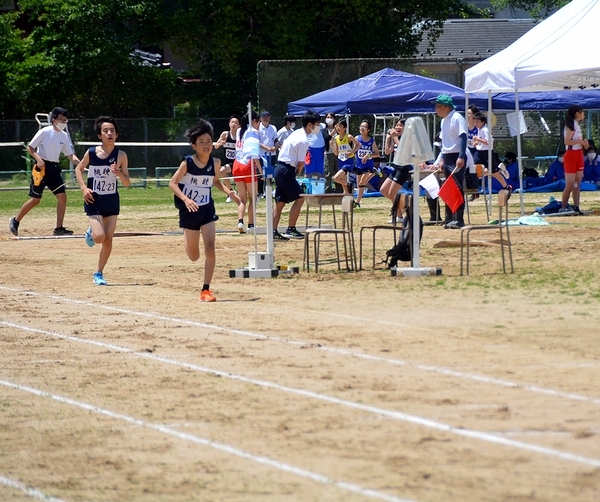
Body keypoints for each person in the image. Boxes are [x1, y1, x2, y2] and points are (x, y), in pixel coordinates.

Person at [169, 119, 239, 302]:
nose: (206, 145)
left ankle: (205, 290)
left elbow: (215, 181)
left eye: (209, 141)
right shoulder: (188, 163)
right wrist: (185, 199)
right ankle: (187, 236)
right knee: (194, 256)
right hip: (189, 211)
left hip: (207, 209)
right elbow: (173, 183)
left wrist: (230, 193)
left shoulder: (215, 162)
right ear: (194, 145)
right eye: (202, 142)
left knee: (210, 247)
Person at [75, 116, 130, 286]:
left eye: (112, 130)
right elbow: (79, 169)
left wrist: (119, 173)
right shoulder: (91, 153)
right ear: (100, 135)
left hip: (111, 201)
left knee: (108, 239)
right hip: (94, 199)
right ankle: (92, 232)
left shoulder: (121, 155)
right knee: (99, 237)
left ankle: (98, 273)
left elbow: (127, 182)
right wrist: (84, 188)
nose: (109, 133)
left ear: (117, 134)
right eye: (105, 131)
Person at [9, 107, 81, 236]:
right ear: (53, 120)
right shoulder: (45, 132)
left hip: (54, 169)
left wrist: (81, 164)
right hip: (41, 168)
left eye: (65, 120)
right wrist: (39, 159)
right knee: (36, 199)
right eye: (60, 119)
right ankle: (15, 220)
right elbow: (30, 147)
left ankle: (59, 228)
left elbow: (70, 155)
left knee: (62, 197)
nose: (63, 122)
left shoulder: (64, 136)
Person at [272, 109, 322, 240]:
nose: (318, 127)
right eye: (317, 124)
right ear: (310, 125)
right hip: (286, 170)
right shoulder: (304, 140)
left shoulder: (297, 133)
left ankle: (273, 231)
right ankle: (291, 229)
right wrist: (297, 171)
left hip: (280, 169)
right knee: (300, 198)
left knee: (280, 202)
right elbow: (301, 163)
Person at [432, 94, 468, 229]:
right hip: (447, 156)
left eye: (437, 107)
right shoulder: (444, 120)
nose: (435, 109)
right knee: (448, 188)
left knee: (457, 187)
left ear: (444, 107)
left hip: (456, 156)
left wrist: (461, 156)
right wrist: (442, 158)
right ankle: (449, 218)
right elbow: (444, 142)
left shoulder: (457, 118)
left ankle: (459, 219)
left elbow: (464, 138)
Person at [232, 112, 263, 233]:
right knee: (253, 198)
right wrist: (261, 170)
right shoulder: (253, 133)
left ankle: (240, 221)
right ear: (255, 121)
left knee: (242, 198)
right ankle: (251, 224)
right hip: (247, 165)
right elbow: (254, 153)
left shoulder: (239, 130)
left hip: (237, 165)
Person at [472, 112, 511, 194]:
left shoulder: (485, 130)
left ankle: (505, 184)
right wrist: (477, 143)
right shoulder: (479, 129)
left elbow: (488, 142)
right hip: (479, 153)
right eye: (474, 122)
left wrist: (478, 139)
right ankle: (473, 188)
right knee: (474, 169)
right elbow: (482, 141)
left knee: (494, 173)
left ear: (483, 122)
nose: (475, 124)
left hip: (487, 153)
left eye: (477, 122)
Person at [380, 119, 411, 221]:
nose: (398, 127)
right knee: (384, 190)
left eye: (401, 126)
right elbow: (387, 152)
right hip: (396, 167)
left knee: (392, 193)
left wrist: (395, 137)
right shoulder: (396, 138)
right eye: (397, 125)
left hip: (404, 169)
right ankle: (403, 205)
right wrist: (388, 139)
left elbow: (403, 149)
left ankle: (399, 215)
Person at [560, 105, 588, 214]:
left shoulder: (578, 126)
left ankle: (576, 207)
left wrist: (584, 142)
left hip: (578, 155)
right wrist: (580, 142)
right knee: (570, 184)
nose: (583, 114)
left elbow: (578, 141)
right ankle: (563, 207)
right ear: (577, 113)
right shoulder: (570, 126)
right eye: (582, 112)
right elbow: (567, 142)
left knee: (577, 183)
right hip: (571, 155)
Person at [213, 114, 241, 203]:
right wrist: (221, 143)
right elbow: (216, 146)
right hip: (228, 161)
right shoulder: (225, 134)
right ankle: (231, 192)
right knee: (222, 171)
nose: (234, 124)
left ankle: (232, 193)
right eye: (232, 122)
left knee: (222, 171)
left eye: (236, 123)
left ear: (239, 125)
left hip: (238, 161)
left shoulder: (241, 135)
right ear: (229, 124)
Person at [353, 119, 380, 207]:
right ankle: (358, 202)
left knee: (361, 182)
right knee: (360, 185)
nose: (362, 128)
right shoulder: (356, 138)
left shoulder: (371, 141)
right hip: (359, 165)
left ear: (368, 130)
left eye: (365, 127)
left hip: (368, 165)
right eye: (361, 126)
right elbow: (354, 150)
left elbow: (377, 154)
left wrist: (368, 156)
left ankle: (357, 201)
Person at [331, 118, 357, 195]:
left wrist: (352, 151)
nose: (338, 128)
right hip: (341, 160)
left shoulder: (348, 137)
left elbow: (358, 144)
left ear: (344, 128)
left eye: (340, 126)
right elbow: (336, 153)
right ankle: (347, 197)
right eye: (337, 126)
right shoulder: (336, 138)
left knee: (336, 178)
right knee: (342, 181)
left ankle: (349, 184)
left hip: (348, 161)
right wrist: (332, 146)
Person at [323, 112, 339, 192]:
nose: (329, 119)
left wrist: (337, 129)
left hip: (338, 153)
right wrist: (334, 131)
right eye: (327, 117)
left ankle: (339, 189)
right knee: (328, 172)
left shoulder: (339, 129)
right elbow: (326, 138)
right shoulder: (324, 130)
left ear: (334, 119)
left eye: (331, 117)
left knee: (338, 171)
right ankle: (328, 190)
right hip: (328, 153)